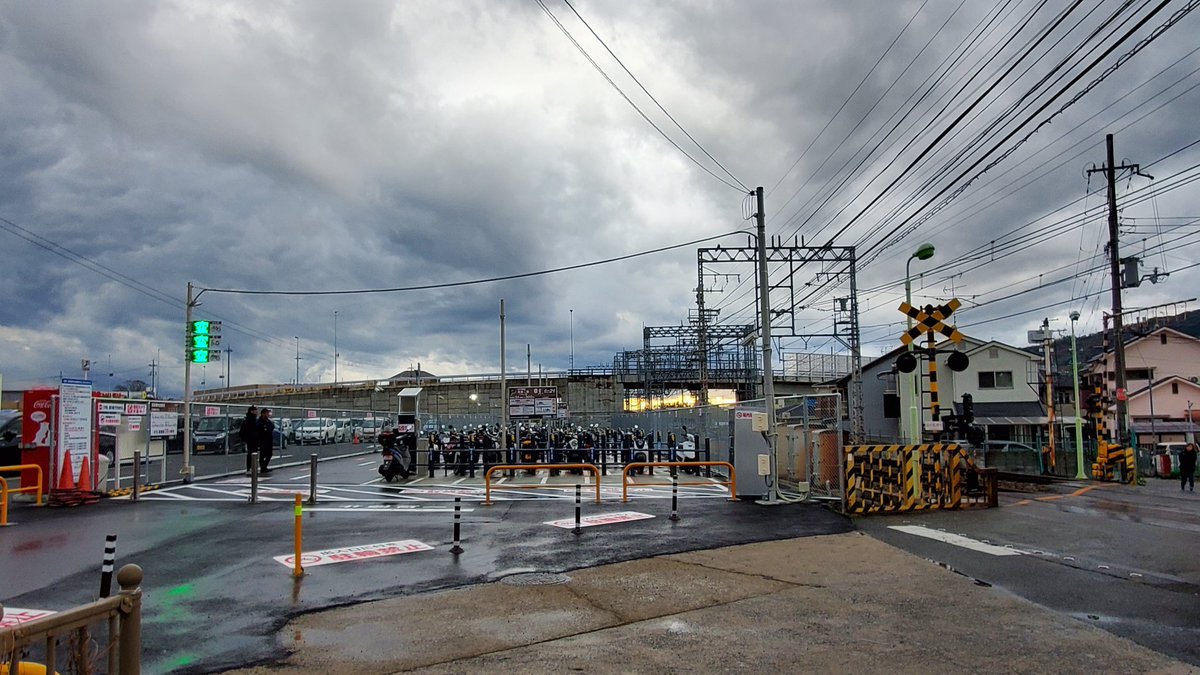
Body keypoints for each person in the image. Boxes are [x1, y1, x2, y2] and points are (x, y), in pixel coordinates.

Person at [239, 406, 258, 475]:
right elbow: (243, 431)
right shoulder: (248, 420)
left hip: (254, 439)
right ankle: (249, 468)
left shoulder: (254, 419)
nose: (256, 412)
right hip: (251, 439)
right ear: (251, 411)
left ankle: (253, 468)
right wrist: (246, 438)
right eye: (255, 410)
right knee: (250, 454)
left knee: (253, 454)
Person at [257, 408, 276, 475]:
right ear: (263, 414)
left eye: (268, 413)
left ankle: (264, 466)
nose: (268, 414)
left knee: (269, 454)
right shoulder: (260, 421)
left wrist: (267, 429)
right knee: (262, 455)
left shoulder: (268, 421)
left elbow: (272, 427)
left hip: (269, 440)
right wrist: (266, 429)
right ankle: (263, 468)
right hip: (263, 440)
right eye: (266, 413)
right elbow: (261, 430)